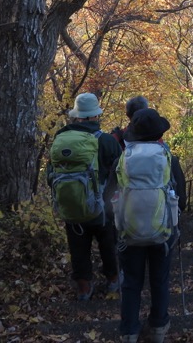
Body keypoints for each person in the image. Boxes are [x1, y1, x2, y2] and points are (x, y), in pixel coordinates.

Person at [117, 108, 186, 343]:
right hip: (163, 230)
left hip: (130, 229)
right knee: (159, 279)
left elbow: (111, 194)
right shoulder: (169, 159)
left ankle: (129, 331)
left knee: (131, 281)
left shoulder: (124, 159)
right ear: (159, 135)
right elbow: (182, 200)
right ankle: (157, 328)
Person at [50, 92, 122, 301]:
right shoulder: (107, 141)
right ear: (95, 116)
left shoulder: (61, 139)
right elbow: (120, 171)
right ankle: (113, 279)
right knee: (108, 242)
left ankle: (83, 287)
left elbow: (51, 173)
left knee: (77, 245)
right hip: (103, 207)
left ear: (76, 116)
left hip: (71, 203)